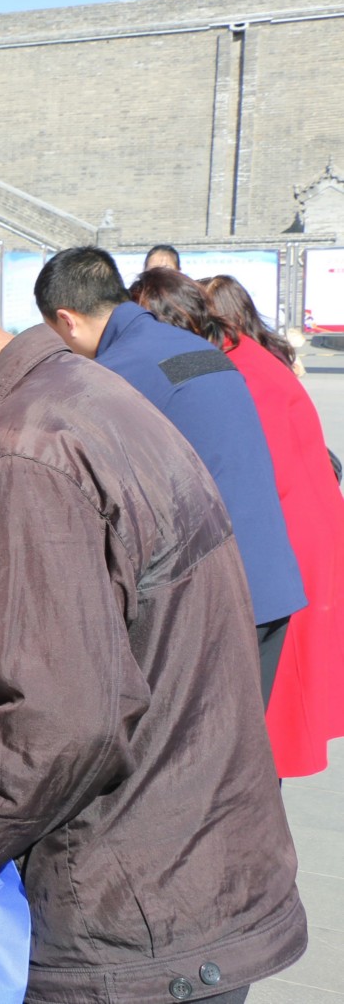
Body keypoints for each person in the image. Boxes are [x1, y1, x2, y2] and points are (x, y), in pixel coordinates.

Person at [0, 259, 306, 1003]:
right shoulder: (79, 390)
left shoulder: (23, 455)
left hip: (131, 905)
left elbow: (54, 723)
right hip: (187, 855)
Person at [35, 247, 305, 699]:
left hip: (214, 602)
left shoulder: (113, 374)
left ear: (67, 320)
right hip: (271, 583)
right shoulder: (195, 347)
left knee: (196, 740)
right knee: (245, 737)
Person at [136, 270, 344, 777]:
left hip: (286, 545)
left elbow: (256, 472)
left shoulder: (233, 370)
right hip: (294, 535)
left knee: (270, 717)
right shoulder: (240, 357)